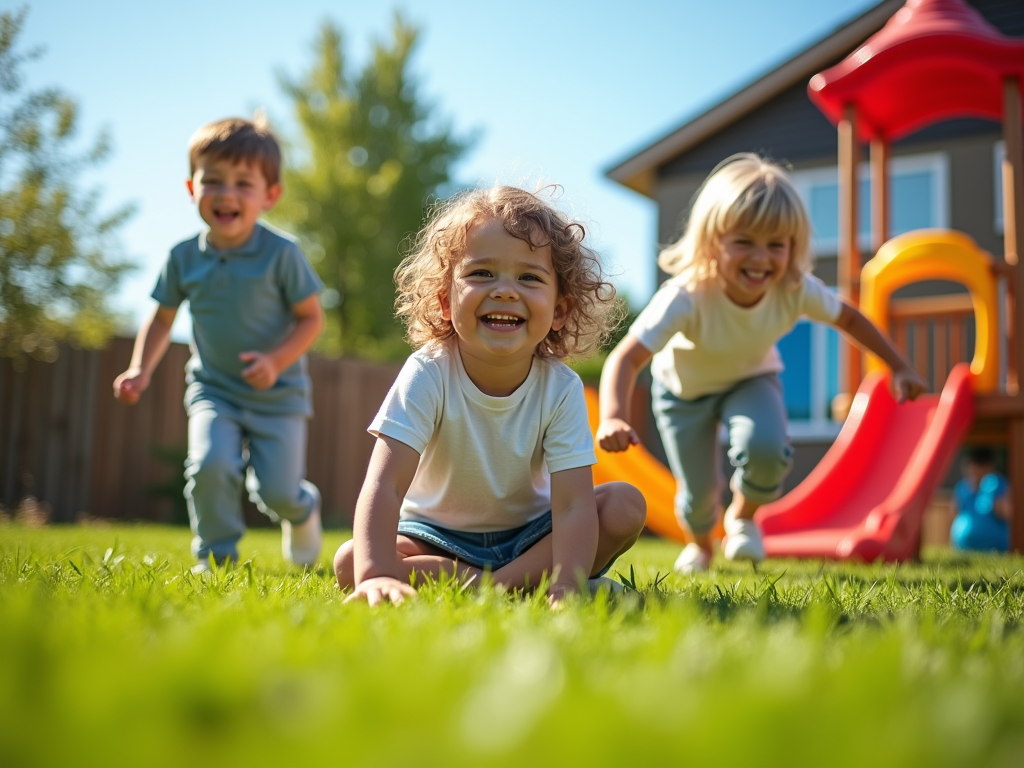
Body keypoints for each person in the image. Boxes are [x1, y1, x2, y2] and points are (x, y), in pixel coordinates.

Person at [597, 153, 927, 573]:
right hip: (683, 392)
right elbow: (626, 357)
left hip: (751, 380)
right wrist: (613, 415)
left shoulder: (794, 289)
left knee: (766, 449)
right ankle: (700, 546)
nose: (760, 258)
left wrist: (897, 365)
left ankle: (744, 517)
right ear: (712, 241)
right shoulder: (687, 296)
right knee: (699, 493)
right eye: (744, 242)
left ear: (793, 248)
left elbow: (848, 317)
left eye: (776, 245)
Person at [334, 186, 646, 606]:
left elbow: (573, 506)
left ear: (559, 311)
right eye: (481, 274)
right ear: (445, 300)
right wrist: (373, 576)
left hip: (532, 535)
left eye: (529, 277)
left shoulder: (560, 387)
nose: (504, 290)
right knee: (350, 560)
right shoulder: (429, 372)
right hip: (435, 538)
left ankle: (506, 587)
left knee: (624, 504)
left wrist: (567, 586)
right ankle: (520, 588)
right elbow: (385, 485)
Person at [113, 116, 325, 572]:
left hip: (278, 396)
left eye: (243, 183)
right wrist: (140, 369)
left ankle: (302, 508)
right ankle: (216, 559)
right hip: (215, 390)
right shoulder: (183, 257)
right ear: (192, 188)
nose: (226, 193)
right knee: (208, 465)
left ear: (270, 196)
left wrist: (276, 360)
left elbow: (311, 319)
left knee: (277, 492)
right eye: (213, 181)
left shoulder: (282, 254)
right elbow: (162, 316)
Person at [950, 447, 1011, 552]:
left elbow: (1005, 513)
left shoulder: (997, 484)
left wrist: (992, 497)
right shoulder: (963, 486)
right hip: (964, 548)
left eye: (980, 467)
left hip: (994, 549)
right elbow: (954, 512)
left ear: (990, 467)